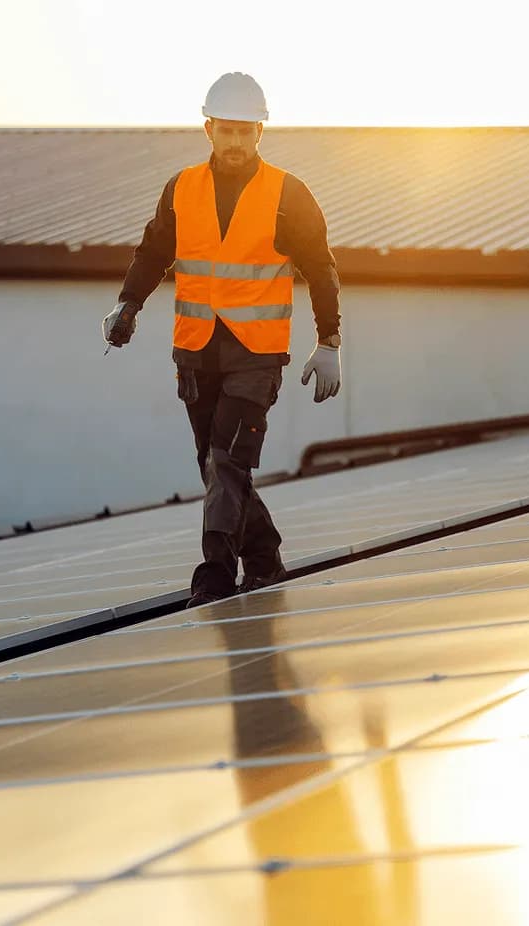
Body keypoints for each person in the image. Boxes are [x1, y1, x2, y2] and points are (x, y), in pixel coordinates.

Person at [103, 72, 343, 608]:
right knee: (215, 466)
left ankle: (214, 575)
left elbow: (321, 269)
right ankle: (264, 558)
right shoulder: (181, 188)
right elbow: (152, 251)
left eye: (246, 131)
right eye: (226, 130)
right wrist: (128, 303)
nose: (235, 142)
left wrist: (329, 340)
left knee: (227, 462)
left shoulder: (289, 194)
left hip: (256, 355)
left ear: (261, 131)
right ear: (207, 128)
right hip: (195, 351)